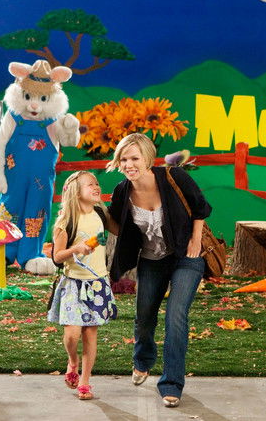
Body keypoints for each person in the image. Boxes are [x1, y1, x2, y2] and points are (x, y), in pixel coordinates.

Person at [105, 133, 211, 408]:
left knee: (176, 315)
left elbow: (200, 208)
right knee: (144, 317)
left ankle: (171, 384)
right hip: (151, 260)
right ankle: (143, 360)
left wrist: (196, 240)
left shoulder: (174, 177)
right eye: (124, 159)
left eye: (134, 158)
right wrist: (96, 212)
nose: (129, 164)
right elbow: (118, 227)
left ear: (148, 159)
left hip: (186, 256)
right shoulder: (122, 191)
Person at [47, 171, 118, 400]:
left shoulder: (101, 214)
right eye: (90, 185)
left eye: (97, 183)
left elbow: (121, 230)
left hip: (97, 283)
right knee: (72, 335)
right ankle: (72, 360)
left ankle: (85, 382)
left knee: (90, 334)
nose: (96, 187)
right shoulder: (66, 222)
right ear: (76, 192)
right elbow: (57, 256)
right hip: (73, 284)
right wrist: (76, 249)